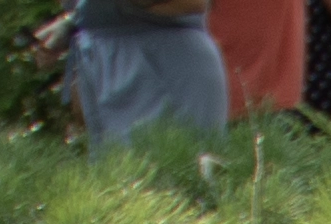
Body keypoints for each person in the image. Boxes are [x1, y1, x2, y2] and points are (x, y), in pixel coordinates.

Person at [67, 0, 230, 143]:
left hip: (163, 65)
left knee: (177, 169)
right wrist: (72, 24)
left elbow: (194, 2)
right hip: (103, 66)